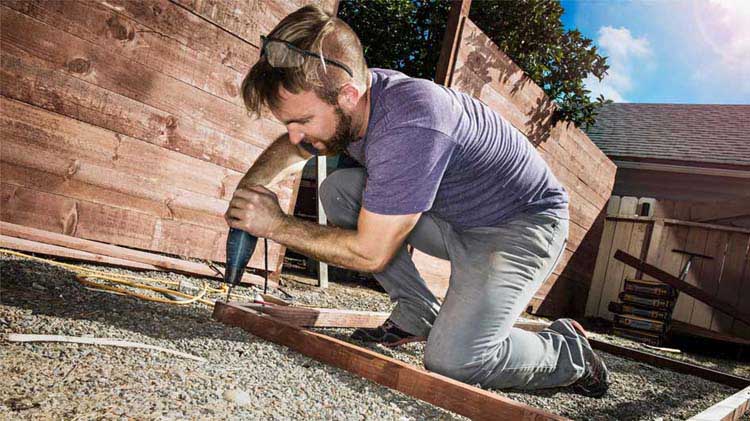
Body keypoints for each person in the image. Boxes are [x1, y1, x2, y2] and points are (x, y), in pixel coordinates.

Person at [225, 4, 609, 397]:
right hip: (455, 219)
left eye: (301, 121)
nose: (294, 135)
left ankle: (569, 352)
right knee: (338, 191)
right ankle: (416, 311)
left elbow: (370, 253)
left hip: (521, 227)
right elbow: (298, 147)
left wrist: (274, 225)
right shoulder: (357, 101)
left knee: (454, 361)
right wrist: (250, 189)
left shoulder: (411, 123)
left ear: (348, 95)